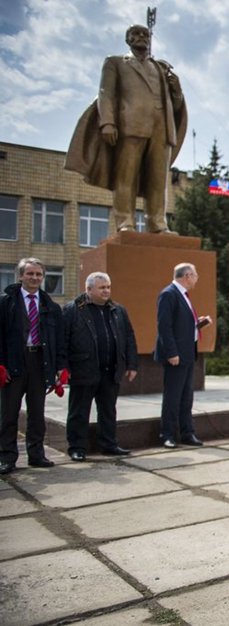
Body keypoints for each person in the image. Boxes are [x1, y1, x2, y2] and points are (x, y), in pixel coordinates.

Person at [64, 24, 187, 234]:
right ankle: (125, 222)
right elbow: (106, 93)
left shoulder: (160, 68)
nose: (141, 37)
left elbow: (174, 106)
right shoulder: (115, 62)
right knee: (126, 177)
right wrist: (107, 122)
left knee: (158, 180)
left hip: (161, 129)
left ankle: (157, 223)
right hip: (130, 126)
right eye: (136, 34)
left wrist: (176, 90)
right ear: (128, 39)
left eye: (145, 34)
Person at [0, 258, 67, 474]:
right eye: (30, 274)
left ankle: (36, 455)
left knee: (37, 413)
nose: (35, 278)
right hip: (14, 364)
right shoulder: (6, 302)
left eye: (39, 274)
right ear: (20, 276)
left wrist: (60, 366)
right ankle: (7, 457)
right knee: (9, 414)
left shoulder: (51, 306)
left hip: (40, 362)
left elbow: (60, 340)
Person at [63, 272, 138, 461]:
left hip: (111, 370)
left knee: (108, 410)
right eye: (102, 287)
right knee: (79, 411)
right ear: (88, 289)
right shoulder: (73, 309)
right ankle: (77, 447)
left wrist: (131, 364)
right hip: (83, 369)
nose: (106, 291)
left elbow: (129, 336)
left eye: (108, 287)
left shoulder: (118, 310)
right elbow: (63, 341)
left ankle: (109, 445)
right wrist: (63, 367)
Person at [154, 263, 211, 448]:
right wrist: (171, 352)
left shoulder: (184, 295)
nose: (196, 279)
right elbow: (164, 326)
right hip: (176, 356)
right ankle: (167, 435)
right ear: (187, 276)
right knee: (173, 396)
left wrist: (198, 323)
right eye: (195, 275)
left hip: (187, 354)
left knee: (187, 396)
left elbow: (181, 325)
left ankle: (187, 433)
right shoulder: (169, 294)